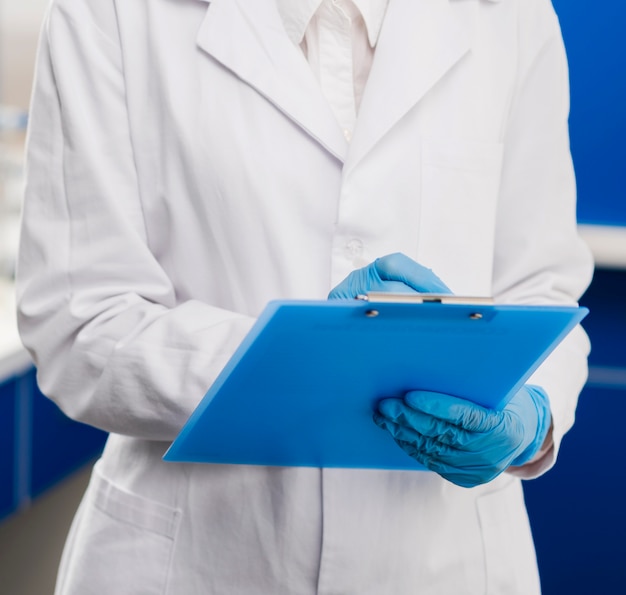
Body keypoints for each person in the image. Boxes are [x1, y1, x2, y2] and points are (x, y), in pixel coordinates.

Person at [17, 0, 592, 593]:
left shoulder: (513, 16)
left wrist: (534, 412)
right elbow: (81, 319)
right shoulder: (110, 12)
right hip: (197, 558)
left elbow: (542, 285)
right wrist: (296, 358)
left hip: (447, 561)